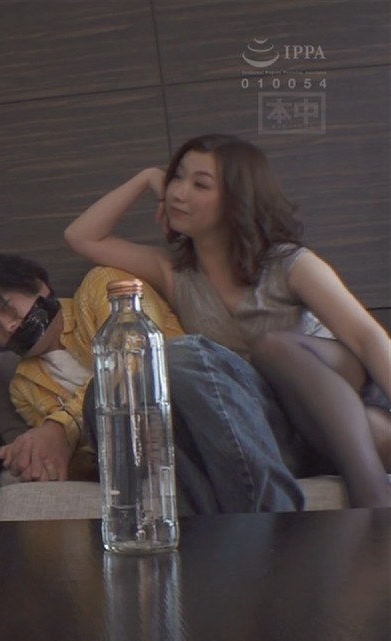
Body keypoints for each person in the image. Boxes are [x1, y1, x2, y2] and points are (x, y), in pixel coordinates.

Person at [64, 134, 391, 508]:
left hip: (339, 403)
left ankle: (372, 493)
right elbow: (82, 236)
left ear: (237, 198)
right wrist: (147, 177)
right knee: (147, 378)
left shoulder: (288, 263)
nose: (178, 193)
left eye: (200, 184)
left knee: (273, 347)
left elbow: (367, 338)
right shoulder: (175, 273)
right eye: (177, 178)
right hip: (267, 426)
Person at [0, 253, 303, 514]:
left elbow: (138, 358)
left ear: (39, 286)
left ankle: (275, 518)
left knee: (166, 359)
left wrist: (61, 426)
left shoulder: (104, 287)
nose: (8, 325)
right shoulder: (24, 387)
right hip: (173, 458)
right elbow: (91, 456)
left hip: (243, 421)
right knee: (116, 424)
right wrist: (37, 457)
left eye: (6, 306)